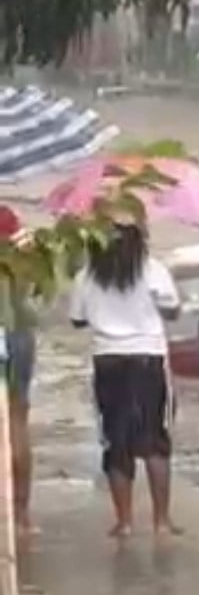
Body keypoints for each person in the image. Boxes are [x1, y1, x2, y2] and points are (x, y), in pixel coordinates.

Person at [69, 221, 183, 538]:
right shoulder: (153, 270)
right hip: (149, 359)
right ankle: (161, 521)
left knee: (116, 440)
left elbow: (77, 320)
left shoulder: (86, 276)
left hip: (108, 361)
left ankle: (125, 522)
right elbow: (173, 310)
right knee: (155, 439)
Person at [0, 205, 37, 537]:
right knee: (17, 419)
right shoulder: (7, 216)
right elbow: (31, 271)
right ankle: (21, 514)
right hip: (16, 327)